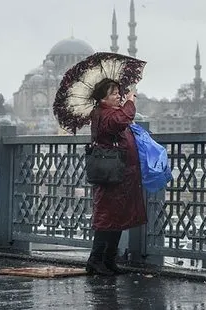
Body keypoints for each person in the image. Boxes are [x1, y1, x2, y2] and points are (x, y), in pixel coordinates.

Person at [86, 78, 147, 276]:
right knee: (107, 218)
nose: (118, 95)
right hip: (111, 174)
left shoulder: (109, 113)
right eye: (113, 93)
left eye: (119, 92)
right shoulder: (104, 114)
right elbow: (120, 121)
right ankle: (95, 260)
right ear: (103, 98)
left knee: (117, 217)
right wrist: (130, 102)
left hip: (121, 175)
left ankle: (109, 260)